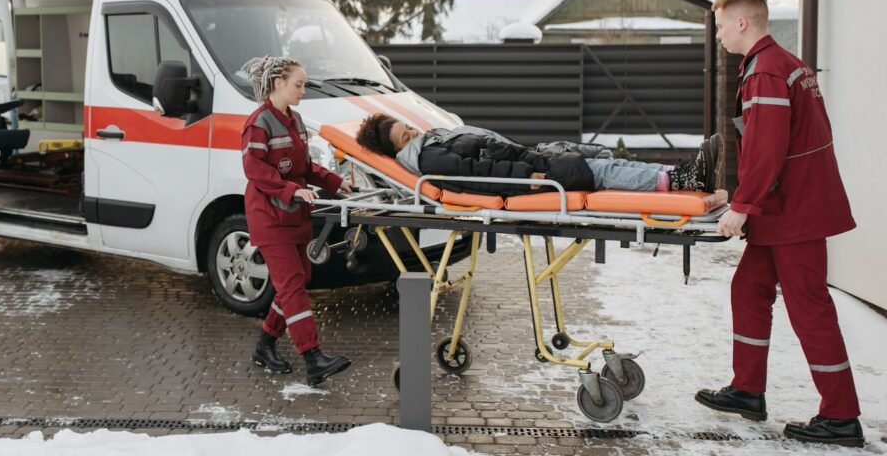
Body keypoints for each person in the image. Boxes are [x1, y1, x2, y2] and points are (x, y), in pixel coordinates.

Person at [694, 0, 863, 448]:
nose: (720, 35)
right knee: (749, 288)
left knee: (809, 308)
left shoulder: (766, 71)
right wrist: (746, 196)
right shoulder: (786, 64)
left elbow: (768, 146)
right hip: (788, 206)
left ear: (743, 22)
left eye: (722, 25)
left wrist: (745, 206)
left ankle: (841, 417)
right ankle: (748, 390)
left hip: (793, 211)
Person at [241, 55, 355, 387]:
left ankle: (265, 345)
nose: (303, 90)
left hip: (292, 215)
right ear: (278, 84)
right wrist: (292, 190)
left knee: (298, 278)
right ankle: (313, 356)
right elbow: (256, 171)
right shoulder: (258, 123)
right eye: (299, 84)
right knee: (292, 285)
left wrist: (335, 182)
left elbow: (305, 166)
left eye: (304, 84)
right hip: (270, 218)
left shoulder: (295, 119)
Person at [354, 113, 723, 197]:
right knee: (601, 172)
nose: (413, 132)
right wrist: (523, 181)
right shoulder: (427, 160)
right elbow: (474, 176)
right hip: (530, 176)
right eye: (406, 136)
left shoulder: (432, 140)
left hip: (531, 161)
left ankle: (682, 173)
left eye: (408, 127)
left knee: (603, 160)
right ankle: (678, 180)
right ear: (397, 149)